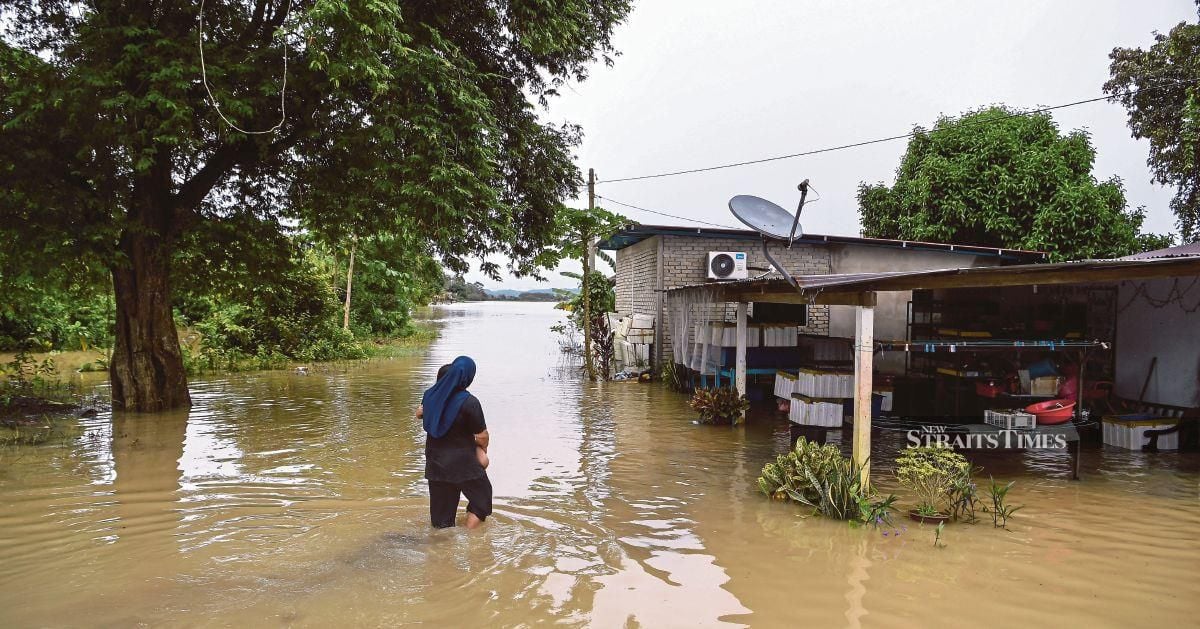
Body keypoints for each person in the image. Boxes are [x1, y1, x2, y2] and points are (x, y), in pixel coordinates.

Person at [417, 356, 492, 529]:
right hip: (465, 466)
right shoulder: (469, 402)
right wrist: (482, 450)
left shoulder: (429, 396)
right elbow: (482, 436)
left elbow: (421, 414)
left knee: (441, 521)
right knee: (481, 501)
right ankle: (471, 536)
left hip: (436, 466)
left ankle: (443, 543)